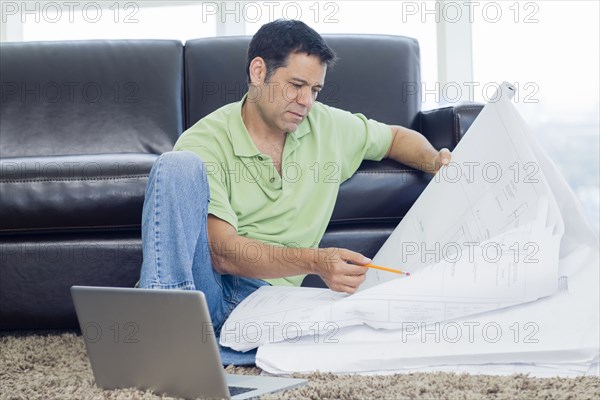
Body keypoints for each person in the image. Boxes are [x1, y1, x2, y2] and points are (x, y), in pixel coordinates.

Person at [138, 19, 451, 364]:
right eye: (296, 85)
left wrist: (434, 161)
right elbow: (222, 254)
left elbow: (394, 137)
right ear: (259, 72)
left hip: (268, 303)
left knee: (365, 340)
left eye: (315, 90)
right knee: (176, 165)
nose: (306, 101)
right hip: (205, 294)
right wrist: (315, 261)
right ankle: (165, 336)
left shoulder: (327, 126)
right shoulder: (206, 139)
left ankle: (219, 349)